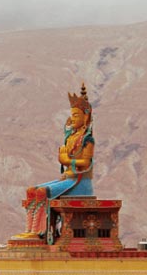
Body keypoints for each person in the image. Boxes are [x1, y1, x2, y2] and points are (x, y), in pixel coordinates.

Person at [15, 83, 95, 243]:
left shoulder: (87, 139)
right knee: (32, 191)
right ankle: (30, 229)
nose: (73, 119)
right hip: (68, 179)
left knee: (41, 193)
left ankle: (39, 232)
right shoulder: (72, 137)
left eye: (77, 115)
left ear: (86, 117)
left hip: (80, 183)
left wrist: (66, 160)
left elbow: (85, 163)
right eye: (72, 115)